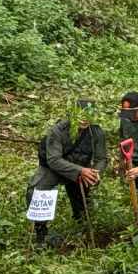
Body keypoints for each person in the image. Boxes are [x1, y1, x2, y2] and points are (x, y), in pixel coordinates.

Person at [26, 98, 107, 246]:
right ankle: (41, 231)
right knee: (36, 191)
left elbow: (101, 158)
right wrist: (80, 170)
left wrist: (95, 172)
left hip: (79, 170)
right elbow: (54, 160)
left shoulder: (96, 132)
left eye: (88, 115)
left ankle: (82, 226)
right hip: (54, 169)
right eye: (80, 115)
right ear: (72, 114)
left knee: (84, 210)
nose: (84, 119)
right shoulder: (58, 131)